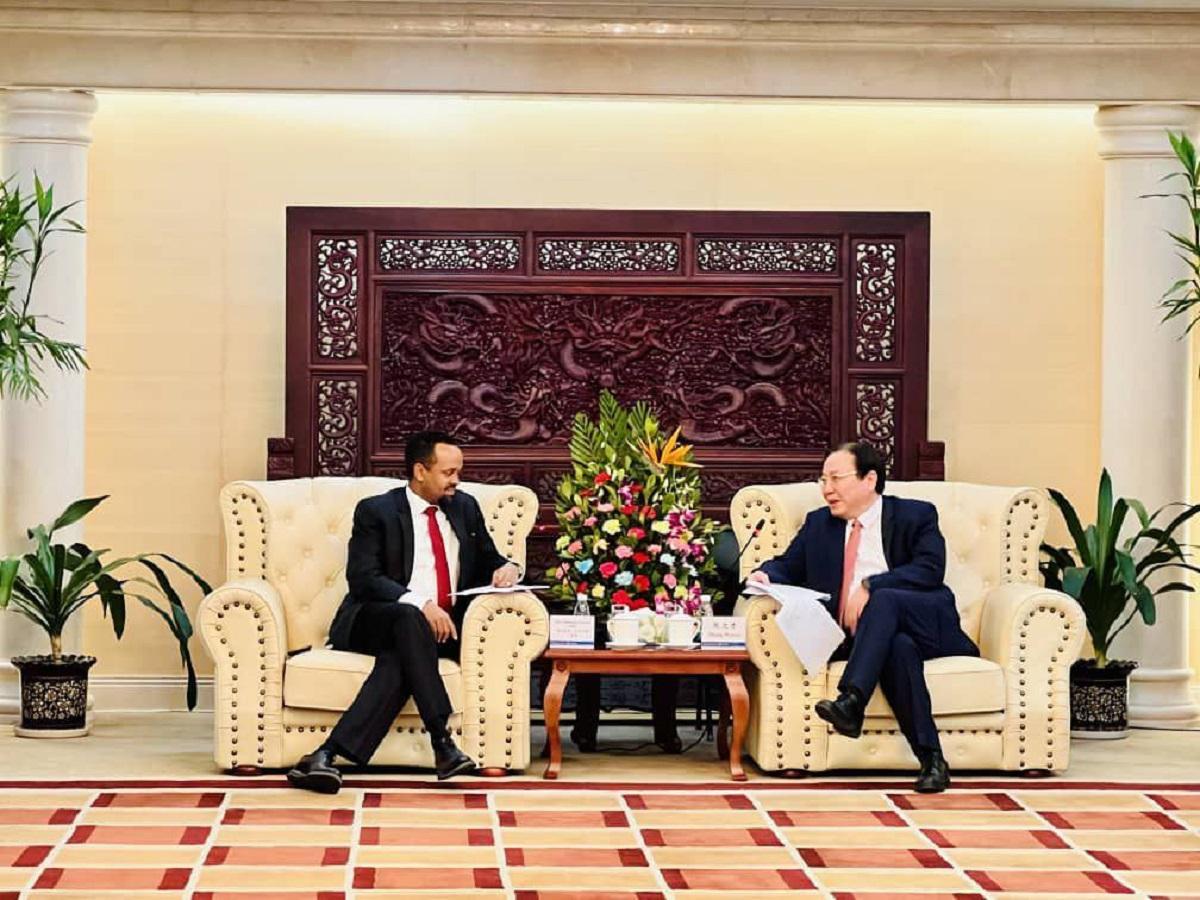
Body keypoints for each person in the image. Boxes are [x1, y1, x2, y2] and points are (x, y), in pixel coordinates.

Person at [287, 431, 521, 794]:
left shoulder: (465, 507)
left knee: (401, 659)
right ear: (420, 471)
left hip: (440, 632)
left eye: (458, 472)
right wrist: (421, 604)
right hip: (374, 620)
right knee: (410, 618)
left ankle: (324, 755)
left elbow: (491, 558)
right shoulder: (376, 511)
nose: (456, 480)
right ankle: (441, 739)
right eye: (448, 472)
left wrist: (510, 568)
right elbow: (363, 579)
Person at [747, 442, 977, 793]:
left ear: (869, 479)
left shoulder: (916, 515)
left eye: (836, 478)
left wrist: (871, 585)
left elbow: (930, 569)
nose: (827, 488)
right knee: (898, 649)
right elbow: (789, 565)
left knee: (884, 600)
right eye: (823, 480)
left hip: (924, 623)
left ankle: (852, 699)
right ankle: (932, 761)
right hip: (865, 639)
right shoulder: (819, 524)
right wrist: (766, 574)